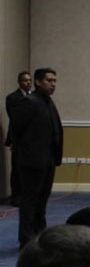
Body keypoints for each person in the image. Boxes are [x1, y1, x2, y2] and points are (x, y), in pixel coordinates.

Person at [10, 67, 63, 248]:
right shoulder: (30, 102)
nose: (53, 84)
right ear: (38, 82)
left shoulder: (48, 102)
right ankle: (27, 240)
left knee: (42, 201)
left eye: (55, 81)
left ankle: (41, 235)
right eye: (49, 80)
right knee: (29, 202)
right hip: (32, 161)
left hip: (47, 160)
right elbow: (16, 129)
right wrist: (25, 153)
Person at [4, 70, 32, 205]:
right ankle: (16, 197)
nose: (28, 83)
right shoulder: (12, 98)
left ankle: (28, 196)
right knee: (17, 169)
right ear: (19, 82)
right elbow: (15, 118)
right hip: (18, 139)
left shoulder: (35, 97)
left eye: (30, 80)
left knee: (30, 169)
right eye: (25, 80)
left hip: (32, 140)